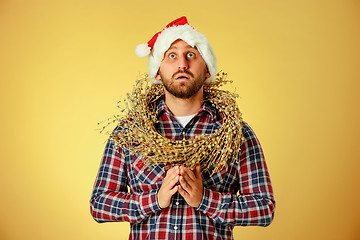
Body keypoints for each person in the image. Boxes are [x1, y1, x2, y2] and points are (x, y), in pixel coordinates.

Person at [90, 16, 275, 240]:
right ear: (157, 72)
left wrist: (205, 199)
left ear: (207, 69)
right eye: (171, 55)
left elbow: (264, 208)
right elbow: (99, 204)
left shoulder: (236, 133)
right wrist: (154, 200)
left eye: (191, 55)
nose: (182, 65)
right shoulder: (131, 132)